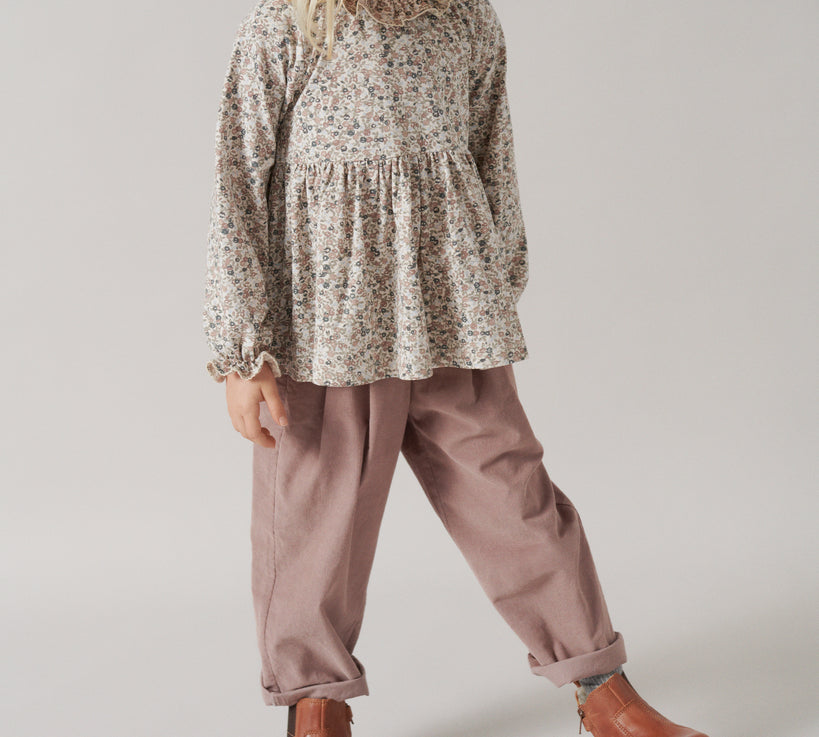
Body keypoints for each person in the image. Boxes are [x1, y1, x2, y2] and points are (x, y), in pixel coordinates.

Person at [202, 1, 710, 736]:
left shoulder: (463, 18)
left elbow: (490, 153)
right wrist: (242, 350)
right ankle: (315, 704)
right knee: (313, 521)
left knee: (512, 493)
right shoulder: (286, 23)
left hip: (446, 307)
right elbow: (238, 179)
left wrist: (491, 286)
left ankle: (601, 687)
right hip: (327, 318)